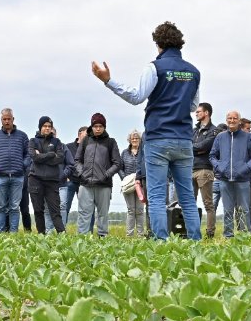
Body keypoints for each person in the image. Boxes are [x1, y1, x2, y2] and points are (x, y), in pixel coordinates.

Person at [92, 21, 201, 240]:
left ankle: (161, 242)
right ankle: (195, 242)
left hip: (159, 138)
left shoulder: (155, 67)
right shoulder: (194, 72)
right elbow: (192, 106)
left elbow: (136, 96)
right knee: (187, 196)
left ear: (158, 44)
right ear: (180, 44)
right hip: (183, 139)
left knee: (157, 195)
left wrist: (108, 81)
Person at [209, 111, 251, 238]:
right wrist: (220, 167)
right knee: (227, 210)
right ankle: (228, 236)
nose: (232, 120)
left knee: (244, 209)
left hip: (243, 179)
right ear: (226, 120)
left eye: (234, 118)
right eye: (229, 118)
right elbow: (212, 156)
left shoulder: (248, 137)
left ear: (239, 121)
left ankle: (245, 235)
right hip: (224, 180)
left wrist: (246, 168)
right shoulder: (220, 137)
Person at [75, 113, 122, 236]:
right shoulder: (85, 141)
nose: (98, 128)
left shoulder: (111, 142)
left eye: (101, 126)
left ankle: (103, 238)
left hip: (104, 185)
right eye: (95, 126)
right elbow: (77, 160)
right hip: (85, 184)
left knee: (103, 214)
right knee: (84, 213)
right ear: (92, 126)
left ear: (104, 127)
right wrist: (81, 173)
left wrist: (105, 175)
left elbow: (117, 163)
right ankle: (82, 239)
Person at [0, 108, 30, 232]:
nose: (7, 121)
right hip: (0, 176)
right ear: (1, 120)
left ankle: (13, 235)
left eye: (9, 119)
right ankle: (0, 234)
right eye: (4, 119)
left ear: (13, 119)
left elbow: (28, 154)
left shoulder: (22, 136)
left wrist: (23, 165)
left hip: (17, 176)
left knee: (14, 207)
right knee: (0, 206)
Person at [29, 116, 66, 234]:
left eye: (49, 126)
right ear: (40, 127)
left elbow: (60, 159)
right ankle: (41, 235)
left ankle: (63, 235)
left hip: (52, 181)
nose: (47, 128)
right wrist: (51, 154)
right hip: (36, 179)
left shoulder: (57, 142)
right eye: (45, 126)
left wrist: (42, 156)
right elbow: (34, 157)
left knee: (55, 211)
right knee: (38, 210)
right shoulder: (33, 141)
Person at [192, 103, 219, 238]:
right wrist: (198, 149)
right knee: (190, 203)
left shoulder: (214, 131)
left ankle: (210, 233)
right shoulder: (194, 130)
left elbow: (206, 146)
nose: (196, 114)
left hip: (205, 169)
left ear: (206, 113)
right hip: (190, 169)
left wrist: (196, 148)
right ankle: (192, 232)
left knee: (208, 203)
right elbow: (188, 146)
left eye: (198, 112)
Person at [44, 126, 75, 232]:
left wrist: (64, 175)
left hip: (61, 184)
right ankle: (49, 231)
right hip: (46, 184)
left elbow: (70, 164)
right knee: (48, 208)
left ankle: (61, 231)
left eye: (52, 133)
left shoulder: (63, 147)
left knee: (62, 206)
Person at [119, 129, 145, 236]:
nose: (134, 140)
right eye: (132, 138)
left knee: (139, 210)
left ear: (140, 140)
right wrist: (124, 179)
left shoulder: (143, 152)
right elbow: (119, 168)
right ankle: (129, 235)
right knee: (131, 210)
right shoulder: (124, 153)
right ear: (129, 140)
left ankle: (140, 235)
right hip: (128, 185)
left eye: (137, 138)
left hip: (141, 184)